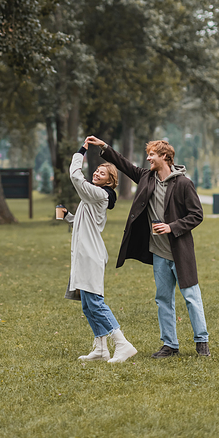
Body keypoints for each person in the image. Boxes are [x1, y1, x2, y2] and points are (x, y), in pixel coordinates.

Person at [85, 136, 210, 358]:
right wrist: (104, 147)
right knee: (163, 300)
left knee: (191, 297)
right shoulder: (146, 177)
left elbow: (197, 215)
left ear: (165, 156)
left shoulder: (183, 183)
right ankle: (170, 345)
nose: (148, 158)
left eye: (152, 154)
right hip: (159, 253)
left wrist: (172, 227)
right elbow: (124, 165)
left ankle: (202, 342)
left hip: (180, 252)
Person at [61, 142, 138, 363]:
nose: (96, 173)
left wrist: (81, 151)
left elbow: (75, 176)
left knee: (95, 303)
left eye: (102, 173)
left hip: (91, 255)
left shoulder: (99, 194)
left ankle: (122, 344)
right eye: (96, 170)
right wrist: (67, 216)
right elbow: (82, 222)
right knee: (87, 305)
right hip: (85, 254)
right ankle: (101, 348)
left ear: (110, 181)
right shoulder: (93, 197)